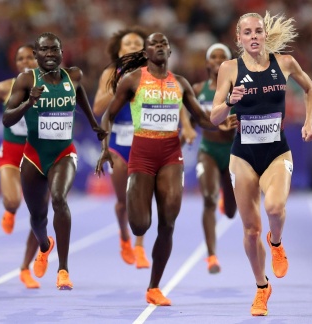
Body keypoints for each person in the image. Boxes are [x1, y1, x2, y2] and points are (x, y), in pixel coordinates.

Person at [95, 32, 235, 306]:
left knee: (168, 222)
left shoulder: (180, 84)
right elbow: (107, 115)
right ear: (147, 53)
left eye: (164, 44)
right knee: (139, 225)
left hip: (171, 155)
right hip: (142, 155)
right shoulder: (132, 80)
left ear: (170, 52)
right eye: (154, 44)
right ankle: (137, 237)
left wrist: (222, 119)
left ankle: (154, 287)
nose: (159, 47)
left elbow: (201, 118)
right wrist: (104, 150)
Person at [210, 12, 312, 316]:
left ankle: (278, 241)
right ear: (239, 38)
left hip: (276, 152)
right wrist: (230, 100)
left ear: (265, 35)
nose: (254, 36)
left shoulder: (284, 64)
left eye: (258, 31)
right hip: (242, 154)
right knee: (251, 230)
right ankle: (261, 287)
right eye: (248, 32)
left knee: (274, 208)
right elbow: (214, 118)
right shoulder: (229, 69)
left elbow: (310, 89)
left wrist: (308, 123)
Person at [3, 32, 107, 290]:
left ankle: (63, 269)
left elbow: (80, 93)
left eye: (54, 50)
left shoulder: (73, 76)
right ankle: (44, 245)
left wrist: (95, 125)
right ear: (36, 55)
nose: (50, 54)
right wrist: (29, 103)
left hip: (64, 153)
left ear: (62, 53)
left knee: (59, 198)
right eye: (44, 50)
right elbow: (7, 118)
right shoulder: (27, 79)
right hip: (34, 156)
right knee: (37, 218)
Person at [0, 44, 41, 289]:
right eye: (20, 58)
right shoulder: (4, 88)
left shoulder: (50, 87)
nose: (25, 62)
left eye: (30, 57)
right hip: (12, 155)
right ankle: (10, 211)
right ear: (15, 63)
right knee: (13, 200)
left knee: (39, 216)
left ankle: (25, 268)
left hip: (39, 156)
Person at [92, 27, 151, 269]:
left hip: (144, 140)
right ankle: (124, 238)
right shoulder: (110, 73)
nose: (132, 46)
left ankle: (139, 247)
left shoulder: (152, 73)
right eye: (127, 44)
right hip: (118, 142)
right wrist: (119, 85)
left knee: (142, 197)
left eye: (137, 43)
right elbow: (97, 107)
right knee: (122, 201)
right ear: (119, 50)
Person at [191, 43, 237, 274]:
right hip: (207, 150)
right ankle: (211, 256)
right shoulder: (198, 89)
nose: (218, 60)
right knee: (208, 199)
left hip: (231, 154)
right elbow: (188, 118)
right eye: (214, 56)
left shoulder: (237, 89)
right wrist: (186, 132)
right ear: (207, 62)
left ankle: (225, 198)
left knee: (230, 212)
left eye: (223, 57)